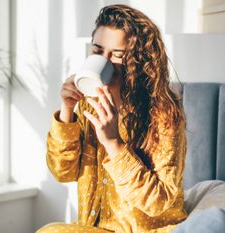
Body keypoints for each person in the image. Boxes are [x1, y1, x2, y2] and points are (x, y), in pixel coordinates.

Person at [36, 4, 187, 233]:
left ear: (139, 61)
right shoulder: (89, 104)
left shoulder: (163, 114)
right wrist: (67, 110)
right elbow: (62, 172)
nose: (105, 61)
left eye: (117, 55)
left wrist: (113, 143)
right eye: (98, 52)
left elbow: (160, 201)